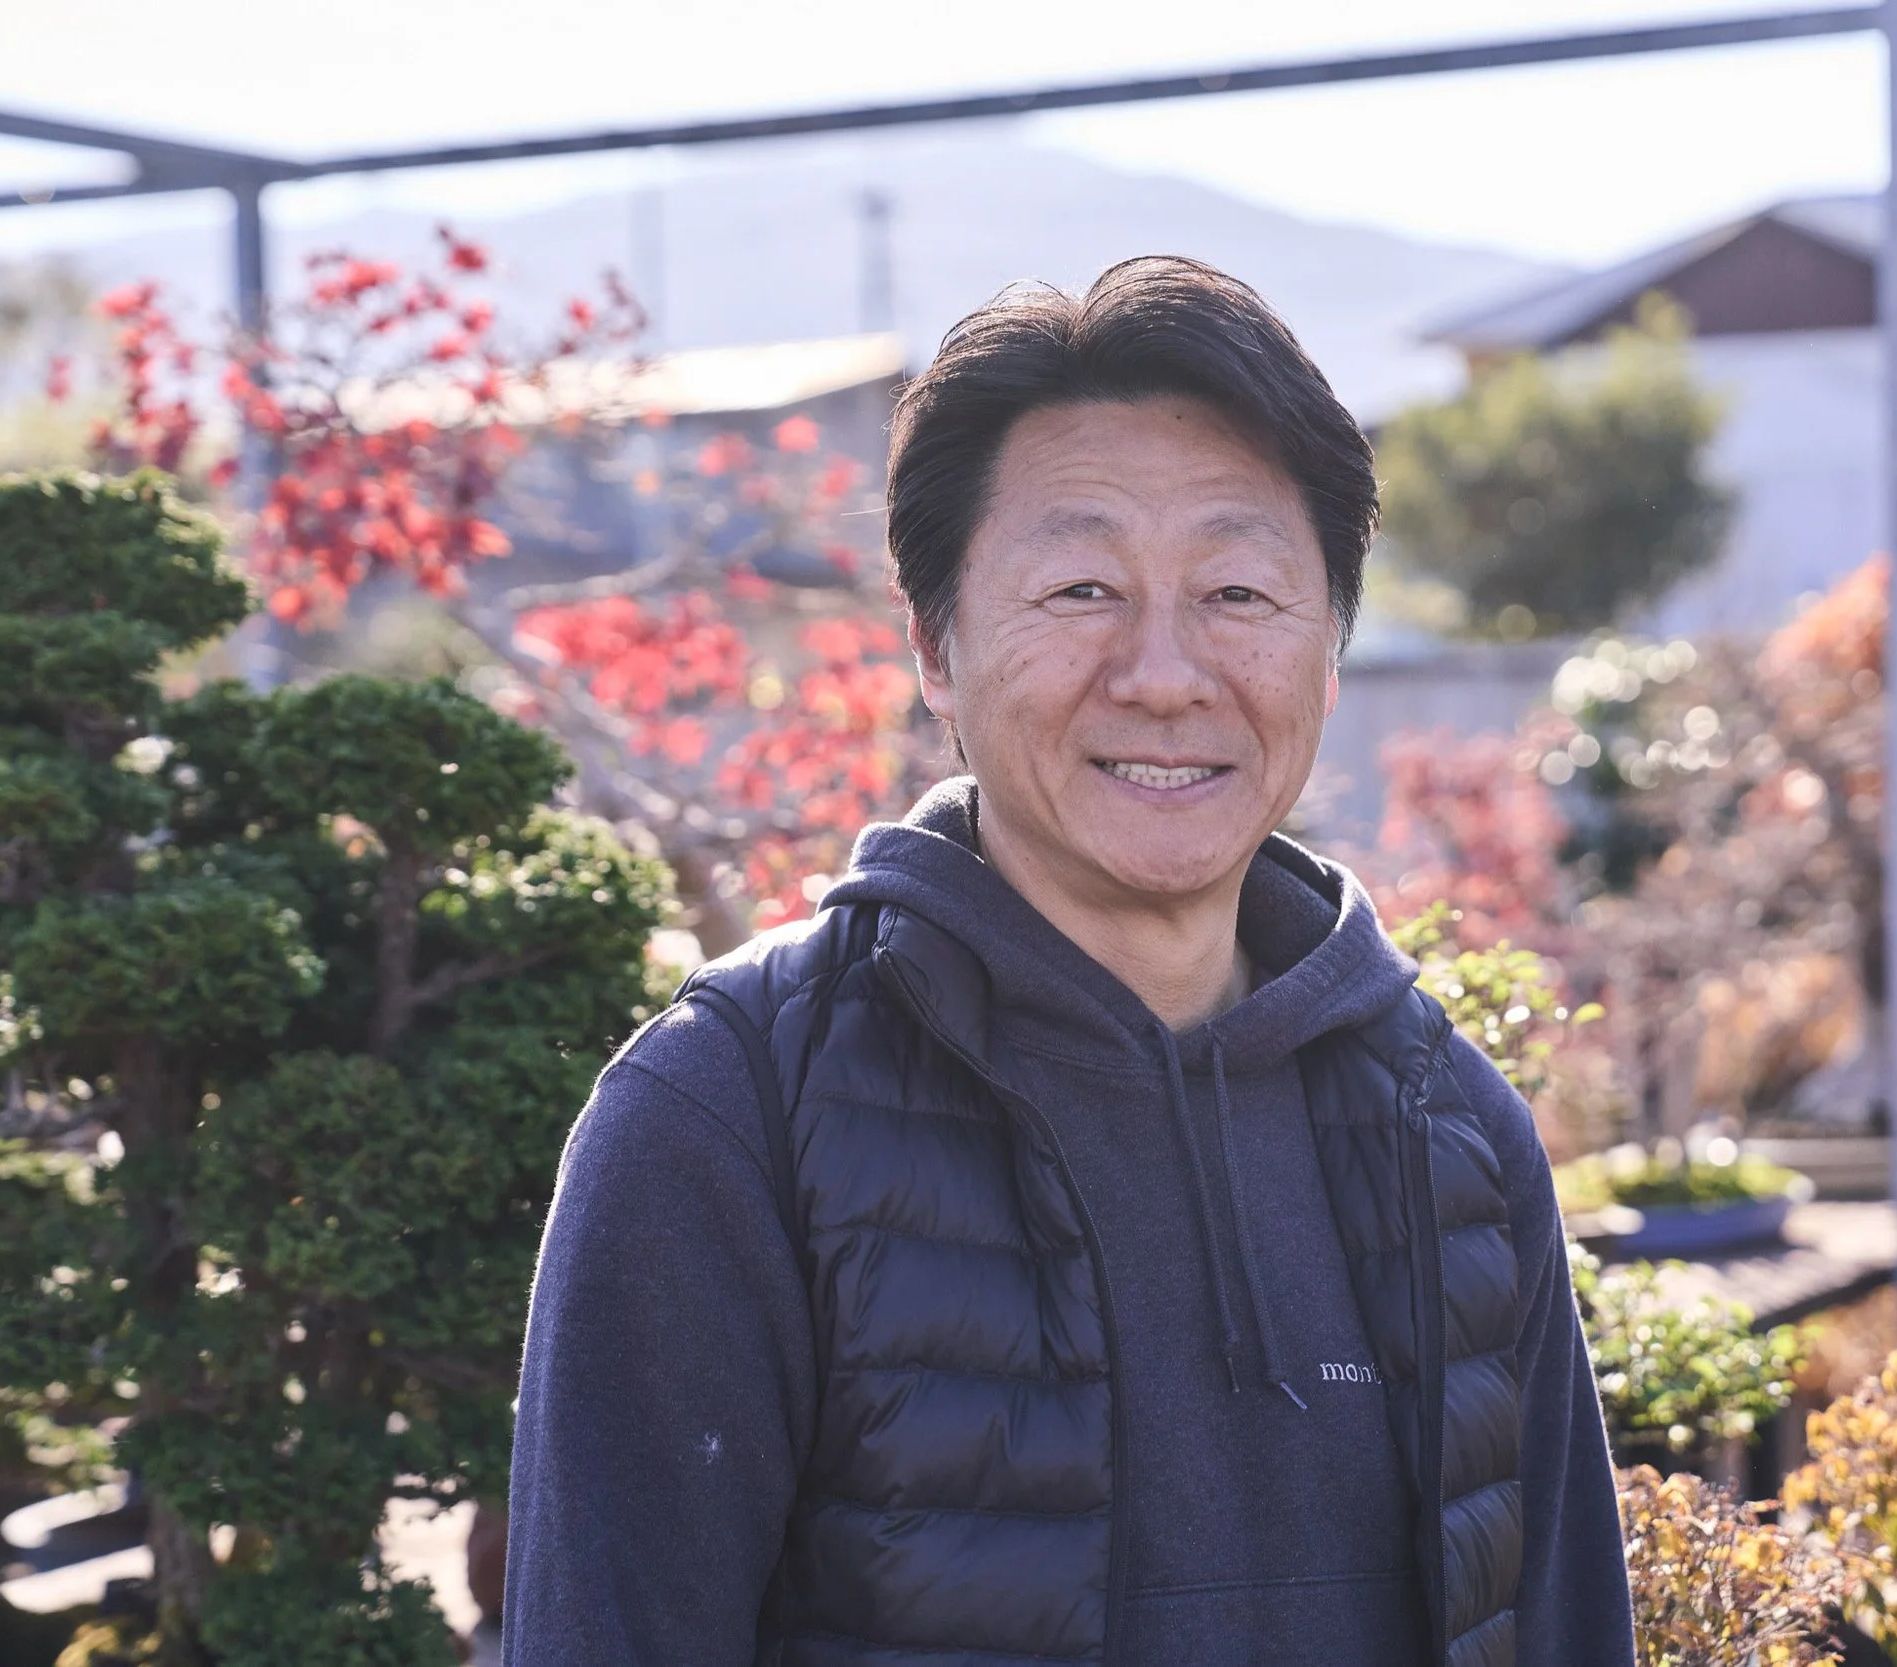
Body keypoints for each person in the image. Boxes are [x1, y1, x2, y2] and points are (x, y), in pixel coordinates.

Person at [505, 256, 1632, 1667]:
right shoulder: (730, 1117)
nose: (1164, 673)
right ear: (935, 647)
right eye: (1082, 587)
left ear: (1330, 654)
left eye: (1238, 591)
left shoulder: (1447, 1124)